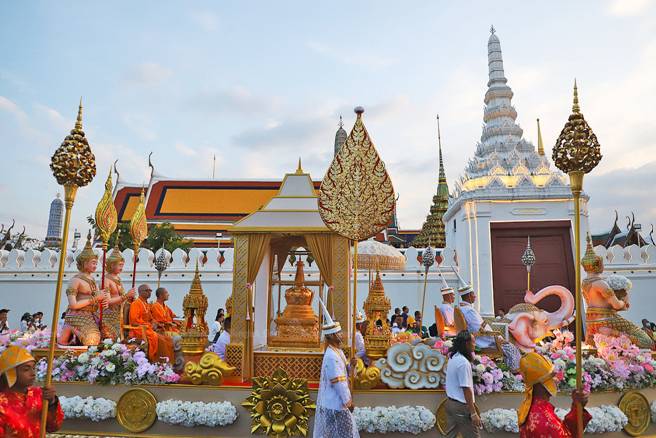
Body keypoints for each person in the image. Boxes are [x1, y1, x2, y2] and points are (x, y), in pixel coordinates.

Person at [313, 298, 359, 437]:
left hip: (338, 403)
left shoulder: (337, 351)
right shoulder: (331, 356)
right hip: (336, 404)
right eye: (338, 334)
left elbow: (347, 373)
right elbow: (339, 382)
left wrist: (352, 366)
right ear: (331, 336)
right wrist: (348, 401)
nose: (341, 336)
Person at [518, 352, 591, 437]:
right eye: (551, 377)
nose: (556, 380)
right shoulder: (544, 418)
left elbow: (565, 431)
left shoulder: (531, 407)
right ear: (542, 383)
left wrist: (577, 407)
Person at [0, 346, 63, 436]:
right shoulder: (2, 402)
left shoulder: (39, 394)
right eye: (26, 369)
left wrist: (52, 402)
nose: (33, 373)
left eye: (33, 368)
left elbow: (53, 427)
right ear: (10, 373)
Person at [63, 232, 107, 345]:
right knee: (92, 340)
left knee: (110, 333)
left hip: (92, 314)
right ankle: (71, 328)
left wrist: (103, 301)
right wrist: (94, 299)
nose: (95, 265)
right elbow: (73, 305)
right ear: (84, 263)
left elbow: (97, 301)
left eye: (96, 263)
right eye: (93, 263)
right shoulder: (75, 281)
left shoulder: (93, 280)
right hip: (77, 314)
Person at [444, 330, 480, 438]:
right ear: (466, 344)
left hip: (450, 403)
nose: (475, 344)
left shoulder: (453, 357)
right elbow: (466, 388)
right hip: (461, 406)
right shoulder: (463, 363)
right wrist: (473, 413)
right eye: (473, 342)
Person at [129, 284, 175, 364]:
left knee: (168, 339)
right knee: (161, 340)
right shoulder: (136, 303)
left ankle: (169, 362)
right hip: (139, 330)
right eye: (147, 291)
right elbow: (134, 321)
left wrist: (155, 323)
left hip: (148, 329)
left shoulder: (146, 304)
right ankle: (158, 362)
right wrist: (149, 325)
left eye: (150, 291)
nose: (149, 293)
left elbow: (151, 318)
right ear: (140, 292)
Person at [102, 244, 135, 340]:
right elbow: (107, 301)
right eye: (120, 265)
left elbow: (122, 297)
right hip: (108, 315)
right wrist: (126, 296)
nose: (122, 267)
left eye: (122, 265)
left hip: (119, 315)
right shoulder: (106, 280)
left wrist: (130, 298)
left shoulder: (118, 279)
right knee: (111, 339)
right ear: (112, 265)